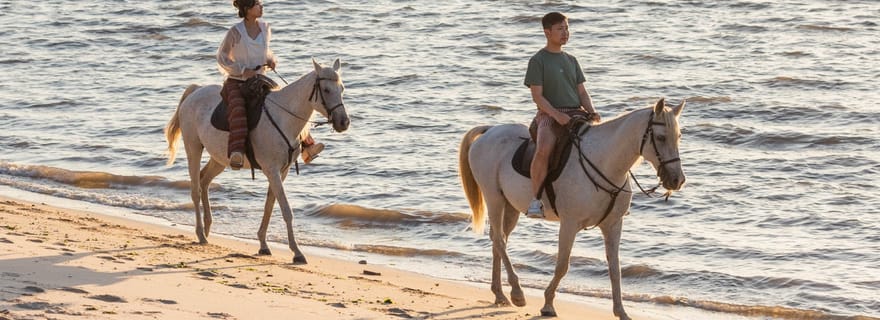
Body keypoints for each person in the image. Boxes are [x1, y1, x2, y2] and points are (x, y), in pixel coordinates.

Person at [217, 0, 324, 170]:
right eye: (257, 4)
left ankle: (307, 147)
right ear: (247, 8)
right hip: (237, 81)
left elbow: (265, 51)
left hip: (259, 80)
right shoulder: (235, 32)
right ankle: (237, 151)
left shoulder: (265, 28)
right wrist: (243, 70)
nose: (262, 6)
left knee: (287, 102)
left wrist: (270, 60)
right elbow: (222, 57)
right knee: (238, 109)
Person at [523, 12, 601, 218]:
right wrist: (557, 115)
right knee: (544, 149)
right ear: (547, 32)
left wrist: (591, 111)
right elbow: (538, 97)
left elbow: (582, 92)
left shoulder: (572, 60)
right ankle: (536, 200)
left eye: (567, 28)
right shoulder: (538, 60)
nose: (565, 33)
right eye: (560, 29)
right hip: (548, 114)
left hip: (576, 112)